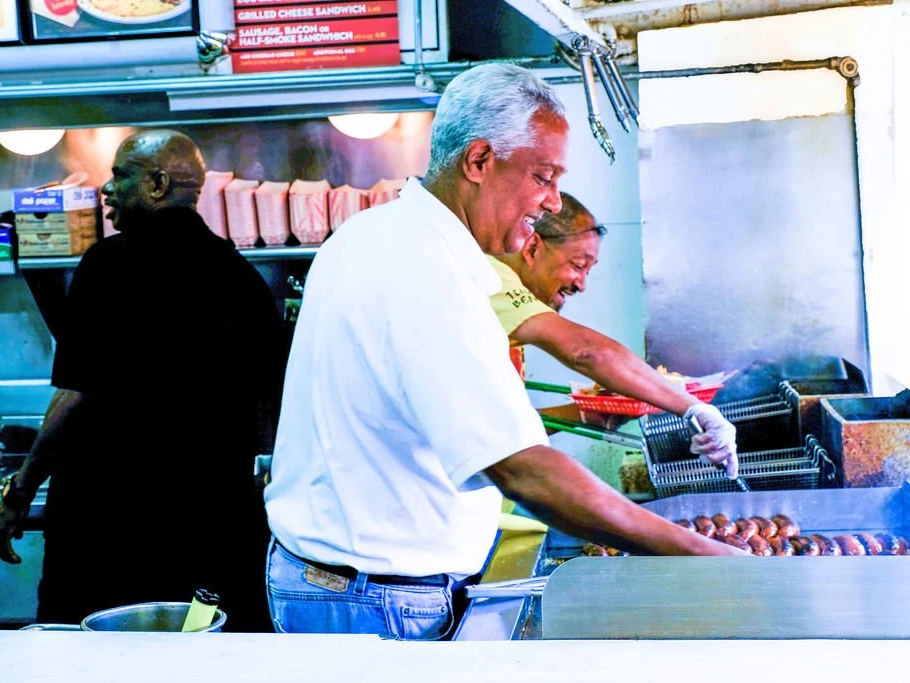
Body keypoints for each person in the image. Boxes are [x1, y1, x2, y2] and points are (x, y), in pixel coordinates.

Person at [263, 64, 745, 642]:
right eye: (543, 176)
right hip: (372, 601)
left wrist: (687, 409)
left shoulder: (377, 235)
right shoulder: (425, 270)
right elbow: (522, 468)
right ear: (480, 160)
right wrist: (704, 556)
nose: (552, 200)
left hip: (342, 582)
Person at [0, 129, 287, 630]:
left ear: (157, 184)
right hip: (209, 535)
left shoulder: (108, 266)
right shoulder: (242, 278)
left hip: (107, 530)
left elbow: (75, 395)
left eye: (119, 176)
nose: (108, 190)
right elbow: (271, 411)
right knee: (201, 663)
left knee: (89, 661)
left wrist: (20, 493)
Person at [490, 192, 738, 475]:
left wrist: (587, 414)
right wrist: (694, 408)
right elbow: (585, 352)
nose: (581, 285)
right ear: (533, 247)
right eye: (578, 265)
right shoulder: (492, 279)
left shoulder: (511, 324)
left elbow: (500, 430)